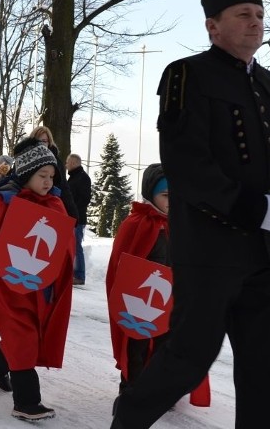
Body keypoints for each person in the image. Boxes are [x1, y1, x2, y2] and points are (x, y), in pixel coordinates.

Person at [110, 0, 270, 429]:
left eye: (258, 15)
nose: (255, 23)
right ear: (213, 25)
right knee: (185, 361)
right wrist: (253, 208)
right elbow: (188, 167)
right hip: (210, 252)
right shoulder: (187, 75)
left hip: (266, 257)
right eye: (242, 15)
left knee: (268, 376)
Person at [0, 138, 74, 421]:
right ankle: (26, 401)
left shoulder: (55, 203)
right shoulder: (7, 202)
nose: (48, 182)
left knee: (31, 331)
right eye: (42, 176)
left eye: (51, 176)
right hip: (10, 284)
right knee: (23, 335)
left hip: (39, 284)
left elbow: (61, 244)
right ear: (26, 175)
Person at [106, 164, 210, 405]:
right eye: (165, 196)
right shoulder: (136, 224)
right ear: (150, 194)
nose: (172, 201)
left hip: (170, 302)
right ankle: (131, 389)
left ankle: (159, 388)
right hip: (140, 303)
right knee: (137, 345)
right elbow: (120, 269)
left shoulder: (180, 225)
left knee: (166, 347)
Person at [66, 153, 92, 285]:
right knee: (72, 246)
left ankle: (79, 275)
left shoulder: (82, 178)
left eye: (68, 162)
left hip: (78, 219)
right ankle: (72, 273)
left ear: (74, 163)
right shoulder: (74, 178)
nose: (66, 165)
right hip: (71, 217)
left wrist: (73, 209)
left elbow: (85, 199)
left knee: (76, 246)